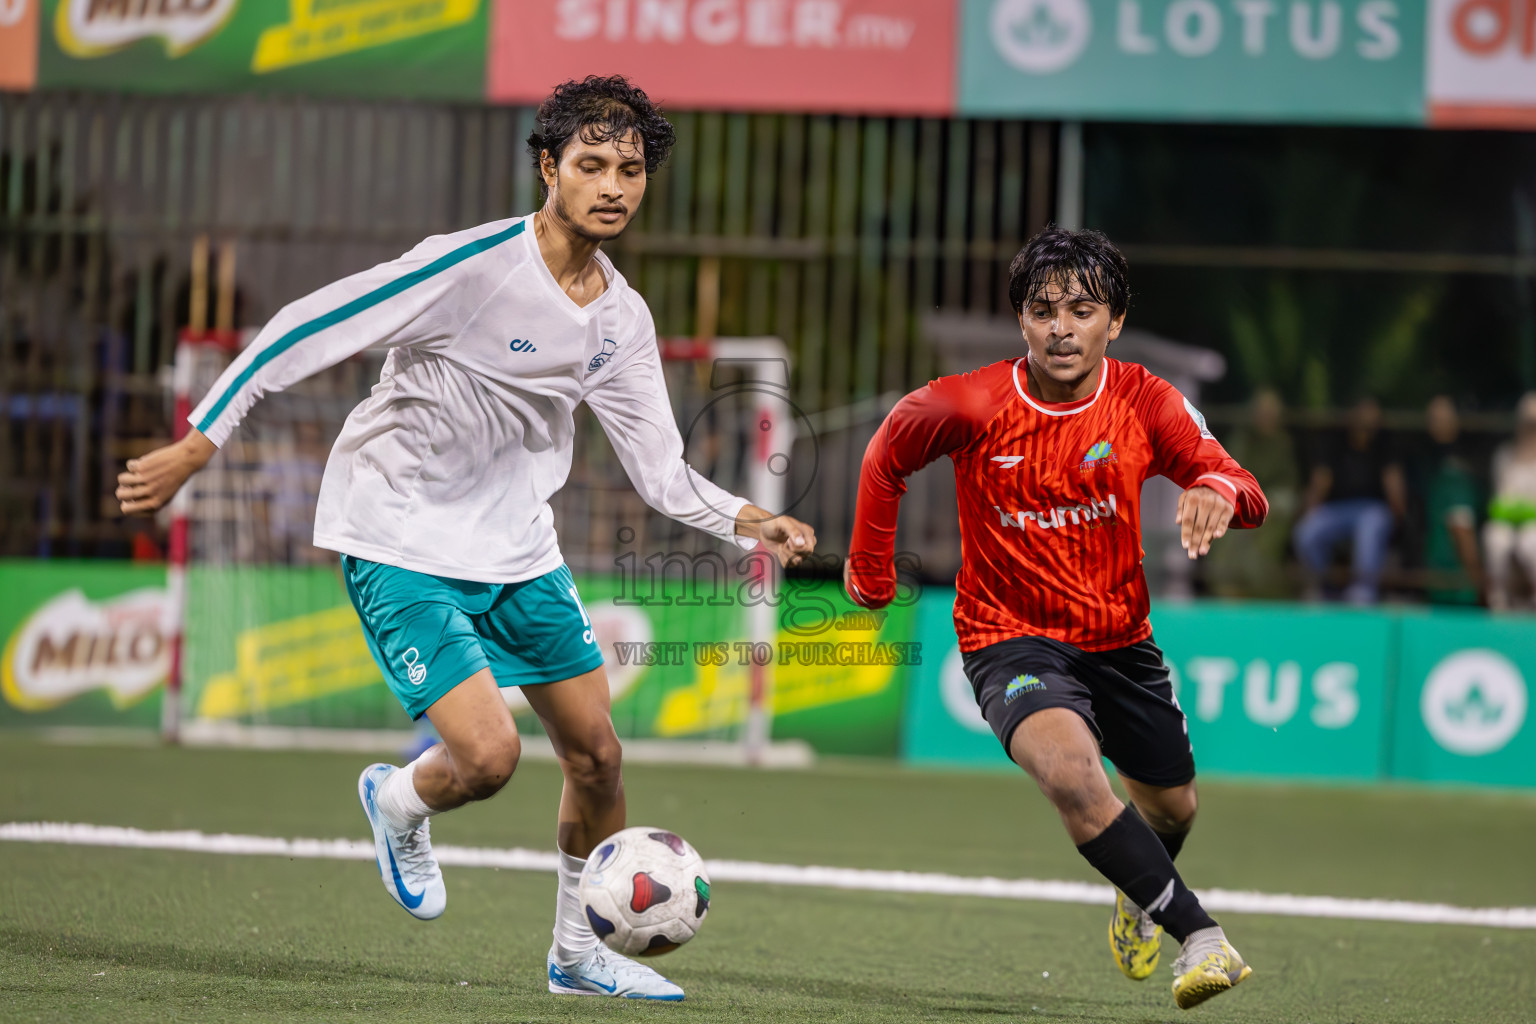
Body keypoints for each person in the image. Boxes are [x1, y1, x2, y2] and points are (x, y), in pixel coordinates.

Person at [115, 75, 817, 1001]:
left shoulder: (622, 319)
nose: (614, 185)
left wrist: (746, 517)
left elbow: (659, 470)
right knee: (488, 760)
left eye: (632, 169)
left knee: (598, 756)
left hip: (518, 550)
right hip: (397, 530)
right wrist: (202, 438)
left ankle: (575, 954)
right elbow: (305, 324)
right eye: (592, 164)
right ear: (547, 167)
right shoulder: (472, 266)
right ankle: (398, 799)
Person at [844, 227, 1267, 1011]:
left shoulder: (1145, 400)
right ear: (1021, 322)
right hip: (1010, 638)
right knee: (1074, 777)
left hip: (1121, 642)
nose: (1061, 328)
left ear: (1115, 322)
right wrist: (869, 569)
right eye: (1043, 311)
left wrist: (1217, 490)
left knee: (1173, 807)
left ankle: (1137, 892)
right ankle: (1200, 938)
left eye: (1082, 309)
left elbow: (1244, 485)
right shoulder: (970, 402)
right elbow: (887, 455)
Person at [1292, 397, 1406, 603]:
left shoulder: (1385, 445)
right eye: (1363, 415)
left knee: (1371, 524)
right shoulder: (1336, 442)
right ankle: (1324, 587)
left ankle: (1363, 594)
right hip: (1338, 510)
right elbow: (1320, 483)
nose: (1367, 422)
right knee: (1307, 532)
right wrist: (1307, 513)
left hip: (1373, 510)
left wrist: (1399, 524)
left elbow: (1395, 490)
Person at [1204, 388, 1298, 599]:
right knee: (1225, 539)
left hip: (1273, 506)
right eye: (1262, 411)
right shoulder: (1242, 440)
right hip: (1242, 500)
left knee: (1260, 546)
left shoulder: (1283, 443)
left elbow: (1289, 483)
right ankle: (1228, 594)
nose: (1266, 417)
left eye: (1271, 412)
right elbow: (1229, 472)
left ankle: (1260, 597)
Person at [1415, 396, 1481, 606]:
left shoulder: (1460, 468)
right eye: (1433, 419)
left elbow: (1462, 527)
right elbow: (1462, 530)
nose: (1437, 424)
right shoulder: (1426, 464)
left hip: (1453, 587)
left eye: (1443, 418)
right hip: (1444, 584)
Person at [1484, 392, 1536, 610]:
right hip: (1507, 521)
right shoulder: (1504, 455)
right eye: (1528, 423)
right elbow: (1499, 496)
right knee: (1495, 538)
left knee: (1531, 543)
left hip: (1533, 525)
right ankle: (1498, 599)